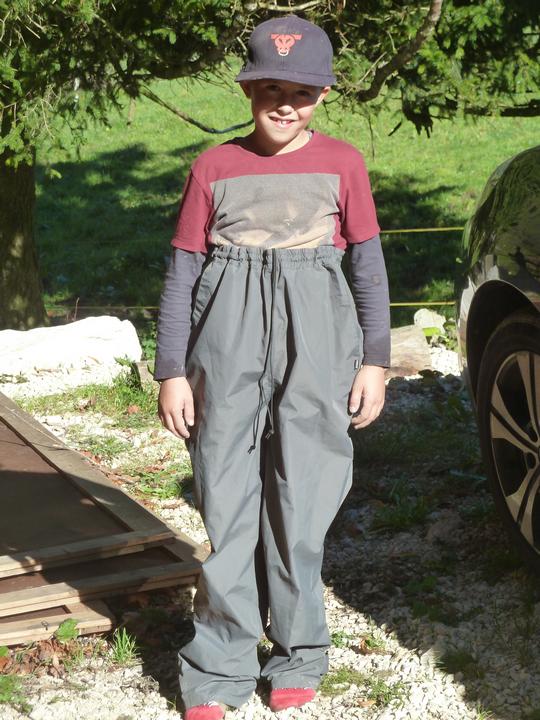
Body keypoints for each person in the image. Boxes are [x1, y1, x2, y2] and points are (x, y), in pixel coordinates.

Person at [155, 14, 390, 720]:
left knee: (302, 498)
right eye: (271, 90)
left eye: (303, 93)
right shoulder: (214, 167)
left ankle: (298, 652)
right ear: (248, 90)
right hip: (225, 339)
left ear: (324, 96)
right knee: (226, 498)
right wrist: (171, 370)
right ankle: (219, 667)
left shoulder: (344, 163)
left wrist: (374, 360)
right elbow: (182, 273)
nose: (286, 105)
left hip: (317, 336)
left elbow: (368, 267)